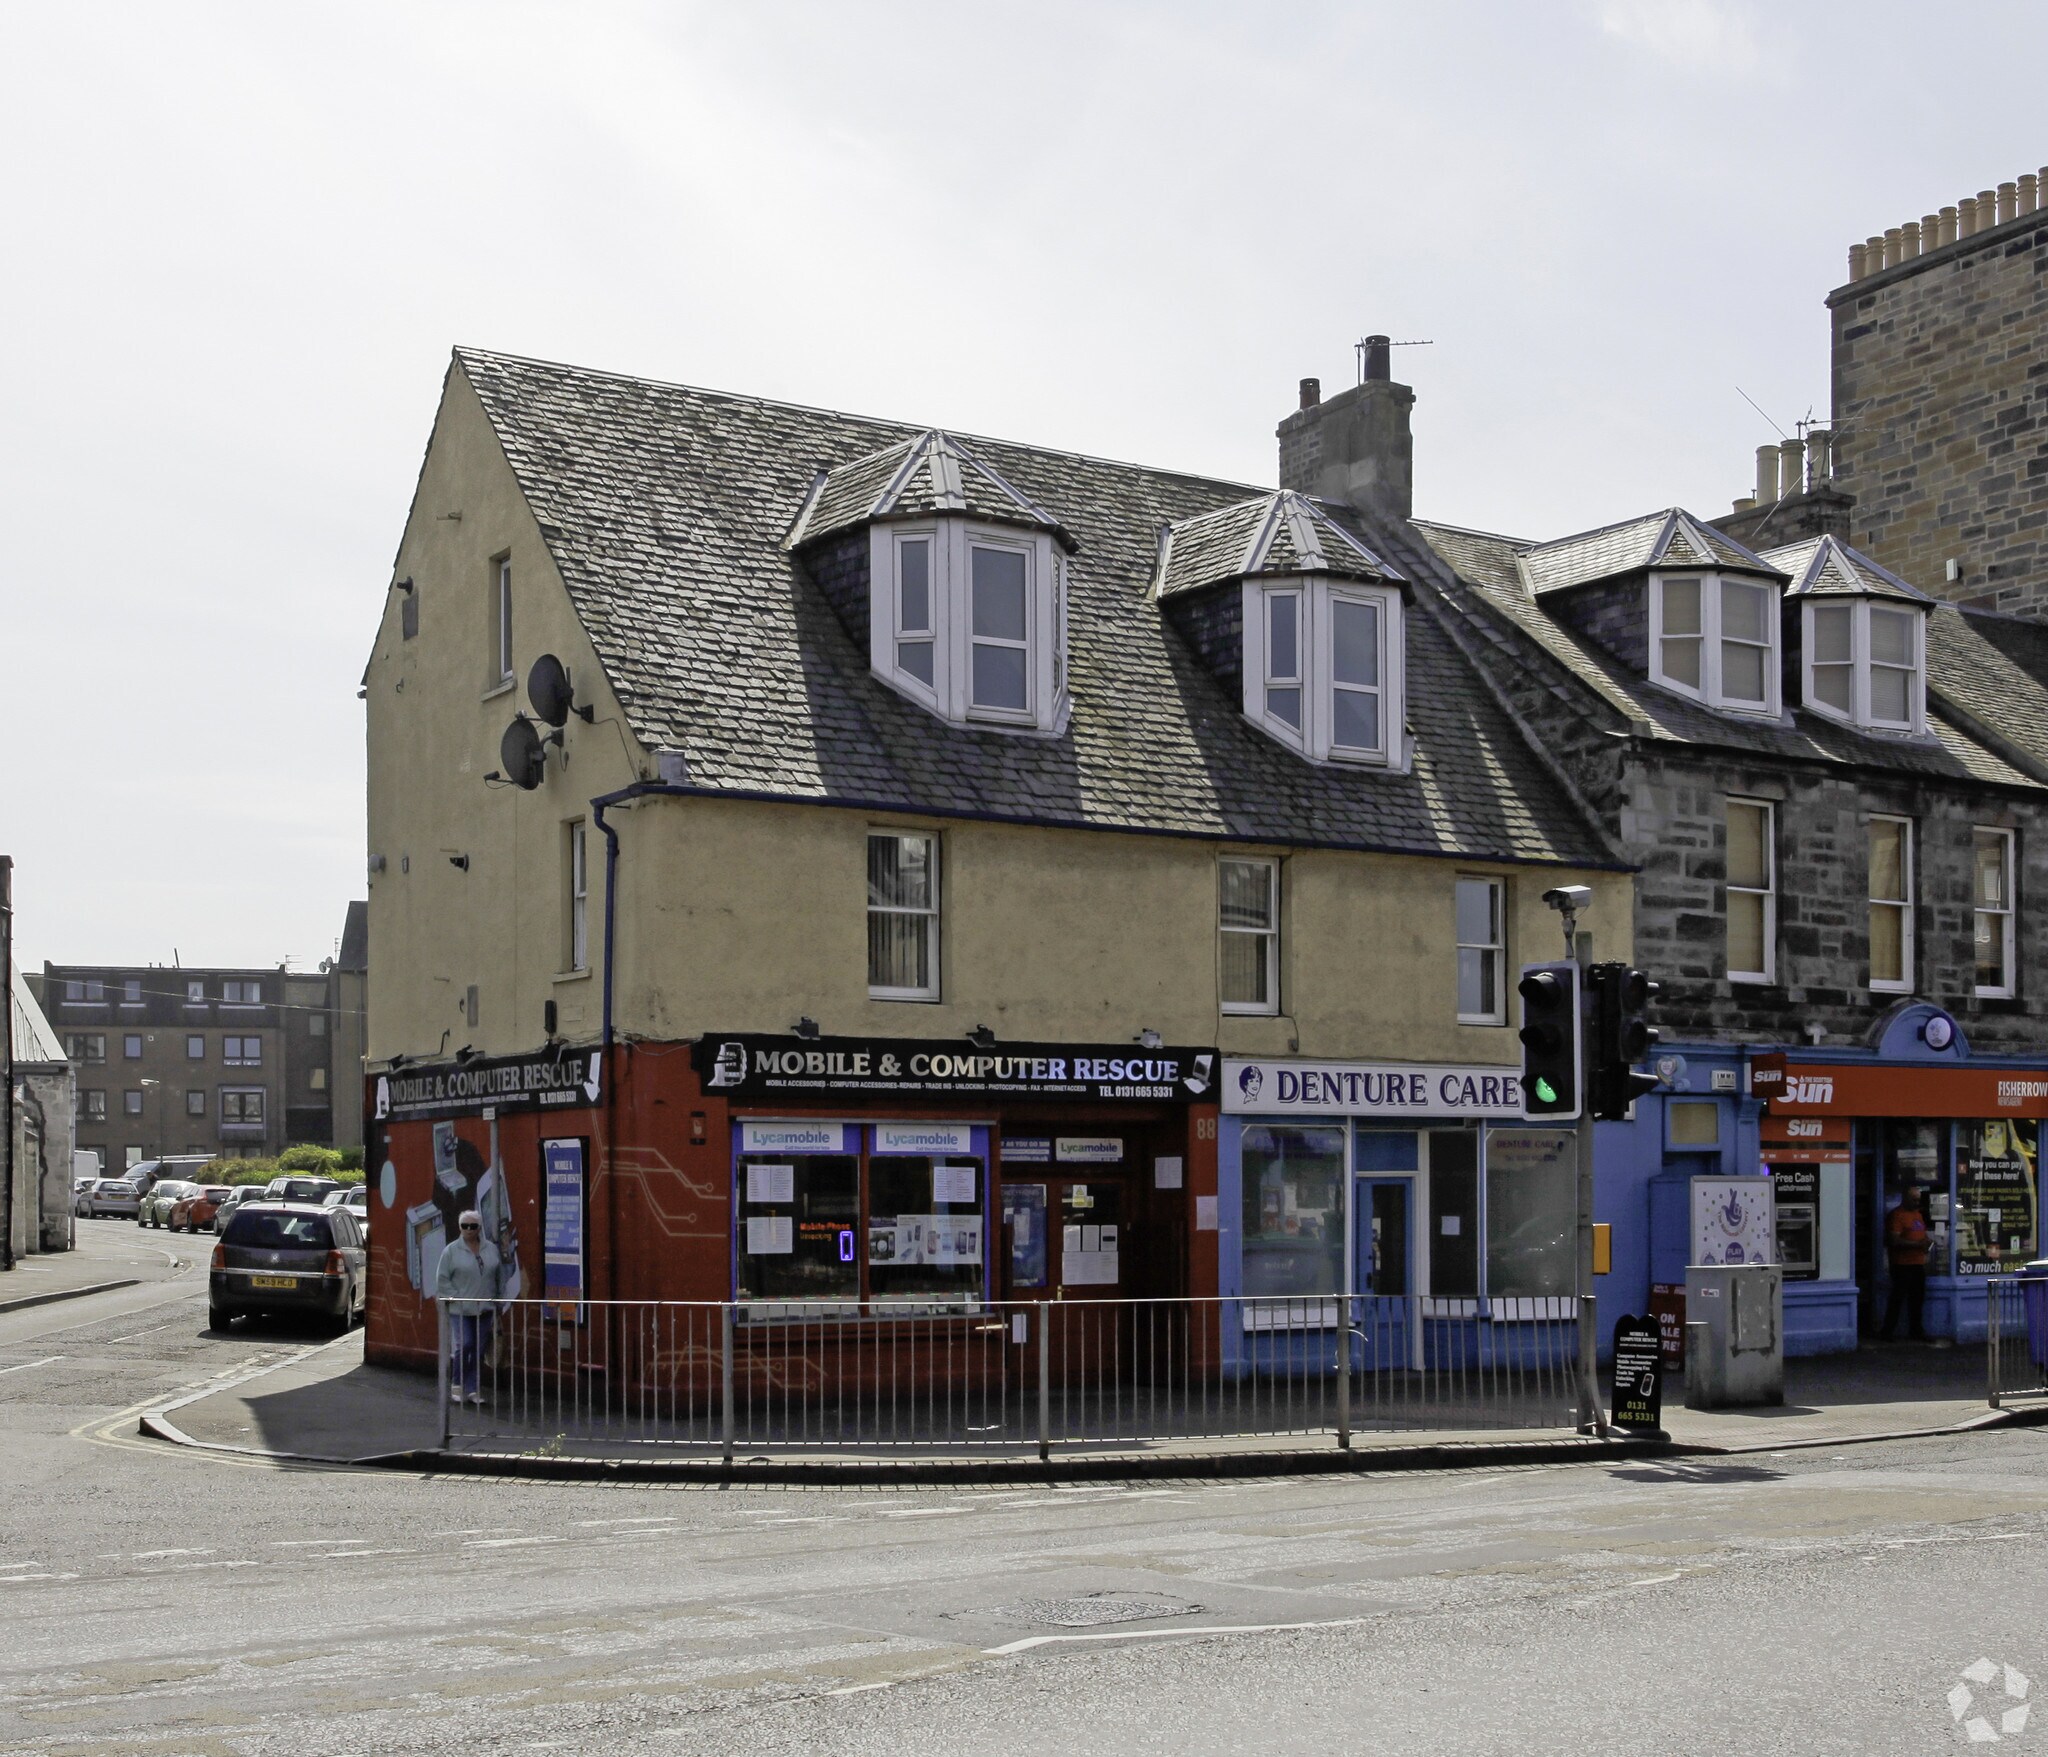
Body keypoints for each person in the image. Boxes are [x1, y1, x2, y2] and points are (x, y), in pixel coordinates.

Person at [434, 1210, 502, 1404]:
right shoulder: (451, 1250)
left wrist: (499, 1299)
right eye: (465, 1226)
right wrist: (456, 1297)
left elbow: (498, 1275)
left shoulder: (490, 1249)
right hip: (460, 1309)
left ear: (479, 1228)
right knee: (465, 1344)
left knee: (479, 1349)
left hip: (485, 1307)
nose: (468, 1230)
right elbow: (442, 1278)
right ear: (460, 1227)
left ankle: (473, 1389)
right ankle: (457, 1383)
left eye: (473, 1226)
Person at [1880, 1185, 1930, 1342]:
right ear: (1905, 1198)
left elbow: (1920, 1234)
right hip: (1902, 1264)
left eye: (1918, 1199)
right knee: (1897, 1298)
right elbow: (1894, 1240)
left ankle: (1916, 1331)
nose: (1916, 1202)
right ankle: (1887, 1332)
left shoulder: (1918, 1215)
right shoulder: (1897, 1215)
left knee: (1917, 1300)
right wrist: (1917, 1245)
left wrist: (1926, 1242)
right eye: (1913, 1199)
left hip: (1917, 1263)